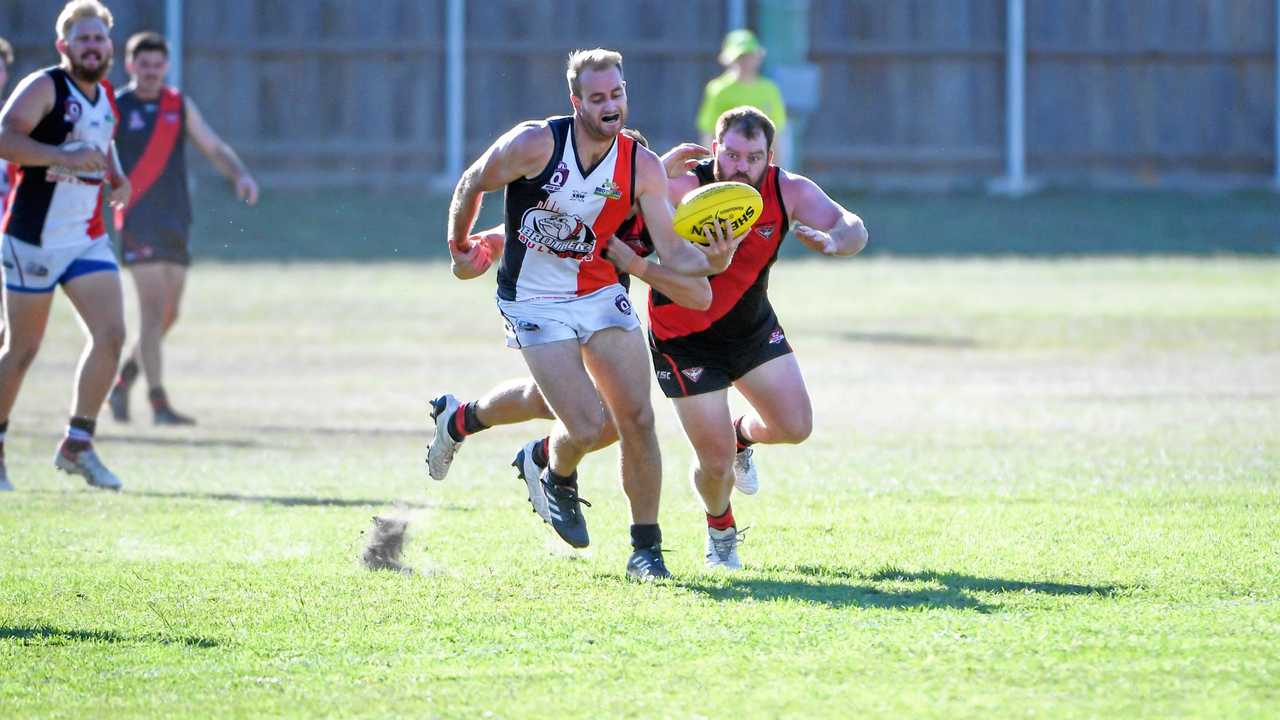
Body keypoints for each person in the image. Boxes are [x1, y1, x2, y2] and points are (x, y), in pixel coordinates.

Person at [433, 48, 739, 580]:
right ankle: (550, 467)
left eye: (617, 94)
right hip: (531, 298)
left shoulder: (640, 166)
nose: (610, 105)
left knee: (637, 418)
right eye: (597, 97)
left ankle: (645, 550)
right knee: (586, 422)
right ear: (575, 101)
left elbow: (671, 249)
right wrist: (461, 247)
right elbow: (472, 182)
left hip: (600, 294)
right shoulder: (534, 144)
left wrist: (714, 257)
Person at [0, 0, 132, 492]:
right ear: (64, 46)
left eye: (99, 38)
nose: (92, 47)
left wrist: (117, 178)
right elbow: (4, 137)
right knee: (22, 351)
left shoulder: (106, 97)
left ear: (109, 46)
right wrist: (63, 157)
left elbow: (105, 141)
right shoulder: (44, 87)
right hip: (33, 239)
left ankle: (77, 444)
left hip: (85, 237)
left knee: (112, 335)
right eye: (83, 39)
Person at [107, 31, 259, 426]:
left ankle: (122, 382)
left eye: (158, 65)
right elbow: (99, 155)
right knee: (152, 312)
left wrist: (239, 175)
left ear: (166, 67)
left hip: (175, 219)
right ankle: (158, 404)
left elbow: (214, 147)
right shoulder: (117, 107)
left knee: (169, 315)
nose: (151, 72)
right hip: (138, 219)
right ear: (130, 66)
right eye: (144, 64)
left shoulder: (177, 105)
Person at [696, 30, 787, 155]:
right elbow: (709, 131)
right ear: (729, 59)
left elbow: (777, 134)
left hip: (759, 160)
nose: (746, 62)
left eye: (750, 56)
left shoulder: (769, 90)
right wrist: (709, 167)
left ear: (758, 58)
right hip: (728, 160)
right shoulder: (718, 89)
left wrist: (777, 168)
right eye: (740, 57)